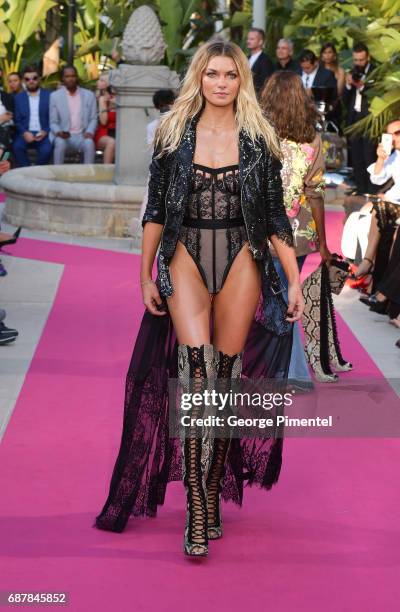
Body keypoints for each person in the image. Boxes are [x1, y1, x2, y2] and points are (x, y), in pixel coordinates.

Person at [95, 39, 303, 558]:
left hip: (243, 257)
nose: (220, 83)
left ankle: (210, 487)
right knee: (196, 378)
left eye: (230, 75)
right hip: (184, 253)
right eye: (212, 74)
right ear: (199, 78)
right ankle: (195, 506)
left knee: (225, 383)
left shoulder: (259, 140)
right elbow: (156, 213)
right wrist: (144, 274)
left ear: (241, 82)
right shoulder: (173, 134)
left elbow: (276, 217)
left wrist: (295, 279)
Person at [261, 71, 331, 386]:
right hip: (299, 235)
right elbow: (315, 193)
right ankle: (293, 372)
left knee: (272, 300)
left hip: (263, 231)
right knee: (287, 297)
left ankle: (286, 371)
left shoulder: (257, 134)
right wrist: (324, 243)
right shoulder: (313, 140)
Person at [353, 118, 400, 288]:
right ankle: (374, 277)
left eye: (398, 133)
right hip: (398, 205)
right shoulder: (397, 155)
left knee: (379, 210)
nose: (394, 138)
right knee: (379, 217)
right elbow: (377, 178)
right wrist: (381, 158)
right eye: (389, 135)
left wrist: (387, 197)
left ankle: (369, 265)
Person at [342, 42, 376, 195]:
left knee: (369, 156)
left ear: (367, 57)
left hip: (369, 121)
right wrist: (349, 85)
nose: (358, 63)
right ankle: (361, 190)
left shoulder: (375, 72)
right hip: (354, 119)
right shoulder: (352, 71)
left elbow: (376, 95)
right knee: (357, 158)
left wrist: (362, 86)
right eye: (356, 60)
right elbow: (344, 99)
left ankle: (372, 191)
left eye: (361, 60)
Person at [49, 65, 97, 164]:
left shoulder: (89, 95)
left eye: (73, 76)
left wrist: (89, 132)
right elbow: (53, 122)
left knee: (89, 143)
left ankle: (88, 174)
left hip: (82, 135)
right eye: (67, 76)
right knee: (60, 143)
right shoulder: (55, 96)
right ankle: (57, 174)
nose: (70, 79)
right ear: (63, 79)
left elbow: (93, 118)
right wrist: (59, 132)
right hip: (64, 135)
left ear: (77, 77)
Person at [12, 65, 52, 167]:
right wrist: (24, 133)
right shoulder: (18, 98)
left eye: (34, 78)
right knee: (17, 147)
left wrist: (45, 131)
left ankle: (36, 172)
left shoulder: (49, 95)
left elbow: (54, 117)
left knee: (47, 150)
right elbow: (17, 119)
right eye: (27, 79)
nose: (31, 81)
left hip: (43, 134)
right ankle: (26, 172)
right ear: (23, 81)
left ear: (39, 79)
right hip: (25, 133)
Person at [246, 28, 274, 94]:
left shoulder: (266, 61)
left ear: (260, 42)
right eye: (248, 38)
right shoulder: (246, 58)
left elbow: (265, 83)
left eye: (252, 39)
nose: (248, 41)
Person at [95, 80, 116, 164]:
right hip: (104, 133)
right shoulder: (103, 100)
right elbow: (103, 121)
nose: (111, 96)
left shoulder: (121, 101)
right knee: (112, 142)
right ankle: (106, 170)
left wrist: (117, 105)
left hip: (118, 134)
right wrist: (106, 105)